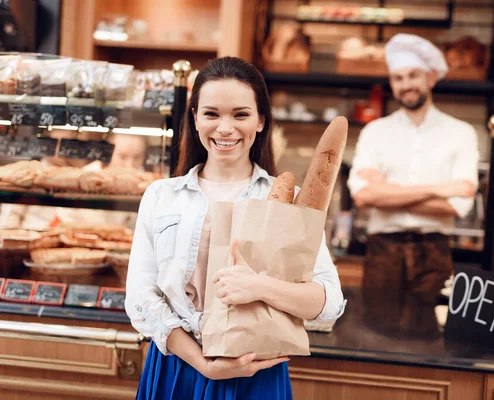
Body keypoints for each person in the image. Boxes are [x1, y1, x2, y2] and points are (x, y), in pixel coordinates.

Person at [125, 57, 345, 400]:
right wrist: (202, 362)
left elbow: (329, 302)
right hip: (176, 368)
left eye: (240, 114)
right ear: (194, 117)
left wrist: (260, 286)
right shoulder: (162, 196)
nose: (225, 128)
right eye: (212, 114)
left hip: (254, 371)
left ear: (261, 121)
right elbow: (140, 298)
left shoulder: (290, 202)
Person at [347, 34, 479, 305]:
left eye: (413, 75)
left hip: (435, 253)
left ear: (430, 78)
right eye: (398, 78)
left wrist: (387, 194)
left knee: (430, 340)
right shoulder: (375, 132)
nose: (406, 84)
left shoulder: (461, 133)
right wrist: (437, 189)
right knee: (377, 337)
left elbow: (458, 204)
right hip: (383, 252)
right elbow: (363, 196)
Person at [0, 133, 149, 230]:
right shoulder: (87, 176)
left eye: (137, 157)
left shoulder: (146, 184)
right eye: (123, 156)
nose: (130, 165)